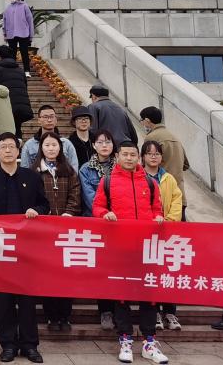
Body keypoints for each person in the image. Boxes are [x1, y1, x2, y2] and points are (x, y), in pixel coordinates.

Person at [92, 140, 168, 365]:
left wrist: (159, 217)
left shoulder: (150, 182)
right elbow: (97, 206)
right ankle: (125, 339)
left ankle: (149, 342)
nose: (129, 158)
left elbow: (157, 209)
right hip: (120, 248)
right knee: (122, 295)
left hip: (146, 249)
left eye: (133, 154)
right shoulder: (107, 181)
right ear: (117, 156)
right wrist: (104, 214)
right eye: (125, 154)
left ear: (138, 157)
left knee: (149, 296)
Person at [0, 132, 49, 363]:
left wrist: (37, 210)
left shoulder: (32, 176)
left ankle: (30, 345)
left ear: (18, 151)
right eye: (3, 147)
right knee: (3, 300)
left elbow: (44, 205)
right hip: (0, 248)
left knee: (27, 300)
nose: (8, 150)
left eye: (11, 146)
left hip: (27, 248)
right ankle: (7, 344)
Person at [29, 133, 79, 332]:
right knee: (47, 274)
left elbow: (75, 194)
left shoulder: (69, 170)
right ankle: (51, 315)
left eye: (54, 145)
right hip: (44, 230)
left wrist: (69, 212)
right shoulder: (33, 172)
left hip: (66, 230)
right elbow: (32, 198)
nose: (51, 148)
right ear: (41, 148)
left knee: (66, 274)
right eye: (47, 145)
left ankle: (65, 316)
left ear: (60, 148)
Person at [140, 140, 184, 333]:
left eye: (157, 153)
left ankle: (170, 312)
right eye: (149, 153)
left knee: (168, 274)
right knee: (150, 274)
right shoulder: (138, 177)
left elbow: (176, 200)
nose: (153, 156)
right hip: (145, 233)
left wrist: (169, 221)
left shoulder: (168, 178)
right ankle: (154, 312)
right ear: (143, 157)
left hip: (166, 233)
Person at [78, 130, 116, 330]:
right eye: (100, 142)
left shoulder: (122, 166)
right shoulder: (86, 169)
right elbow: (89, 197)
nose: (104, 145)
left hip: (119, 225)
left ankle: (120, 309)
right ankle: (105, 311)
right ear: (93, 145)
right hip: (97, 224)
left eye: (108, 142)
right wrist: (106, 213)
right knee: (104, 271)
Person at [138, 107, 189, 218]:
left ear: (147, 120)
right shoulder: (175, 137)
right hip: (179, 193)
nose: (142, 124)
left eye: (141, 120)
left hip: (163, 195)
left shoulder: (151, 137)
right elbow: (186, 165)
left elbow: (145, 163)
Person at [19, 106, 79, 170]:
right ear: (39, 120)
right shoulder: (29, 145)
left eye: (52, 116)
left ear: (56, 119)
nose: (49, 120)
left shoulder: (66, 143)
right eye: (45, 117)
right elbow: (24, 169)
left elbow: (74, 168)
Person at [0, 46, 33, 129]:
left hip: (6, 107)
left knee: (5, 132)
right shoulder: (20, 70)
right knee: (17, 130)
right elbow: (25, 87)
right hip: (21, 107)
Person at [1, 0, 34, 77]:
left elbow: (30, 20)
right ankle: (13, 71)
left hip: (24, 34)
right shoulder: (8, 8)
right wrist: (5, 34)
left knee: (24, 53)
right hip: (11, 35)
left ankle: (27, 71)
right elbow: (4, 22)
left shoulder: (24, 6)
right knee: (12, 54)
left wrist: (31, 35)